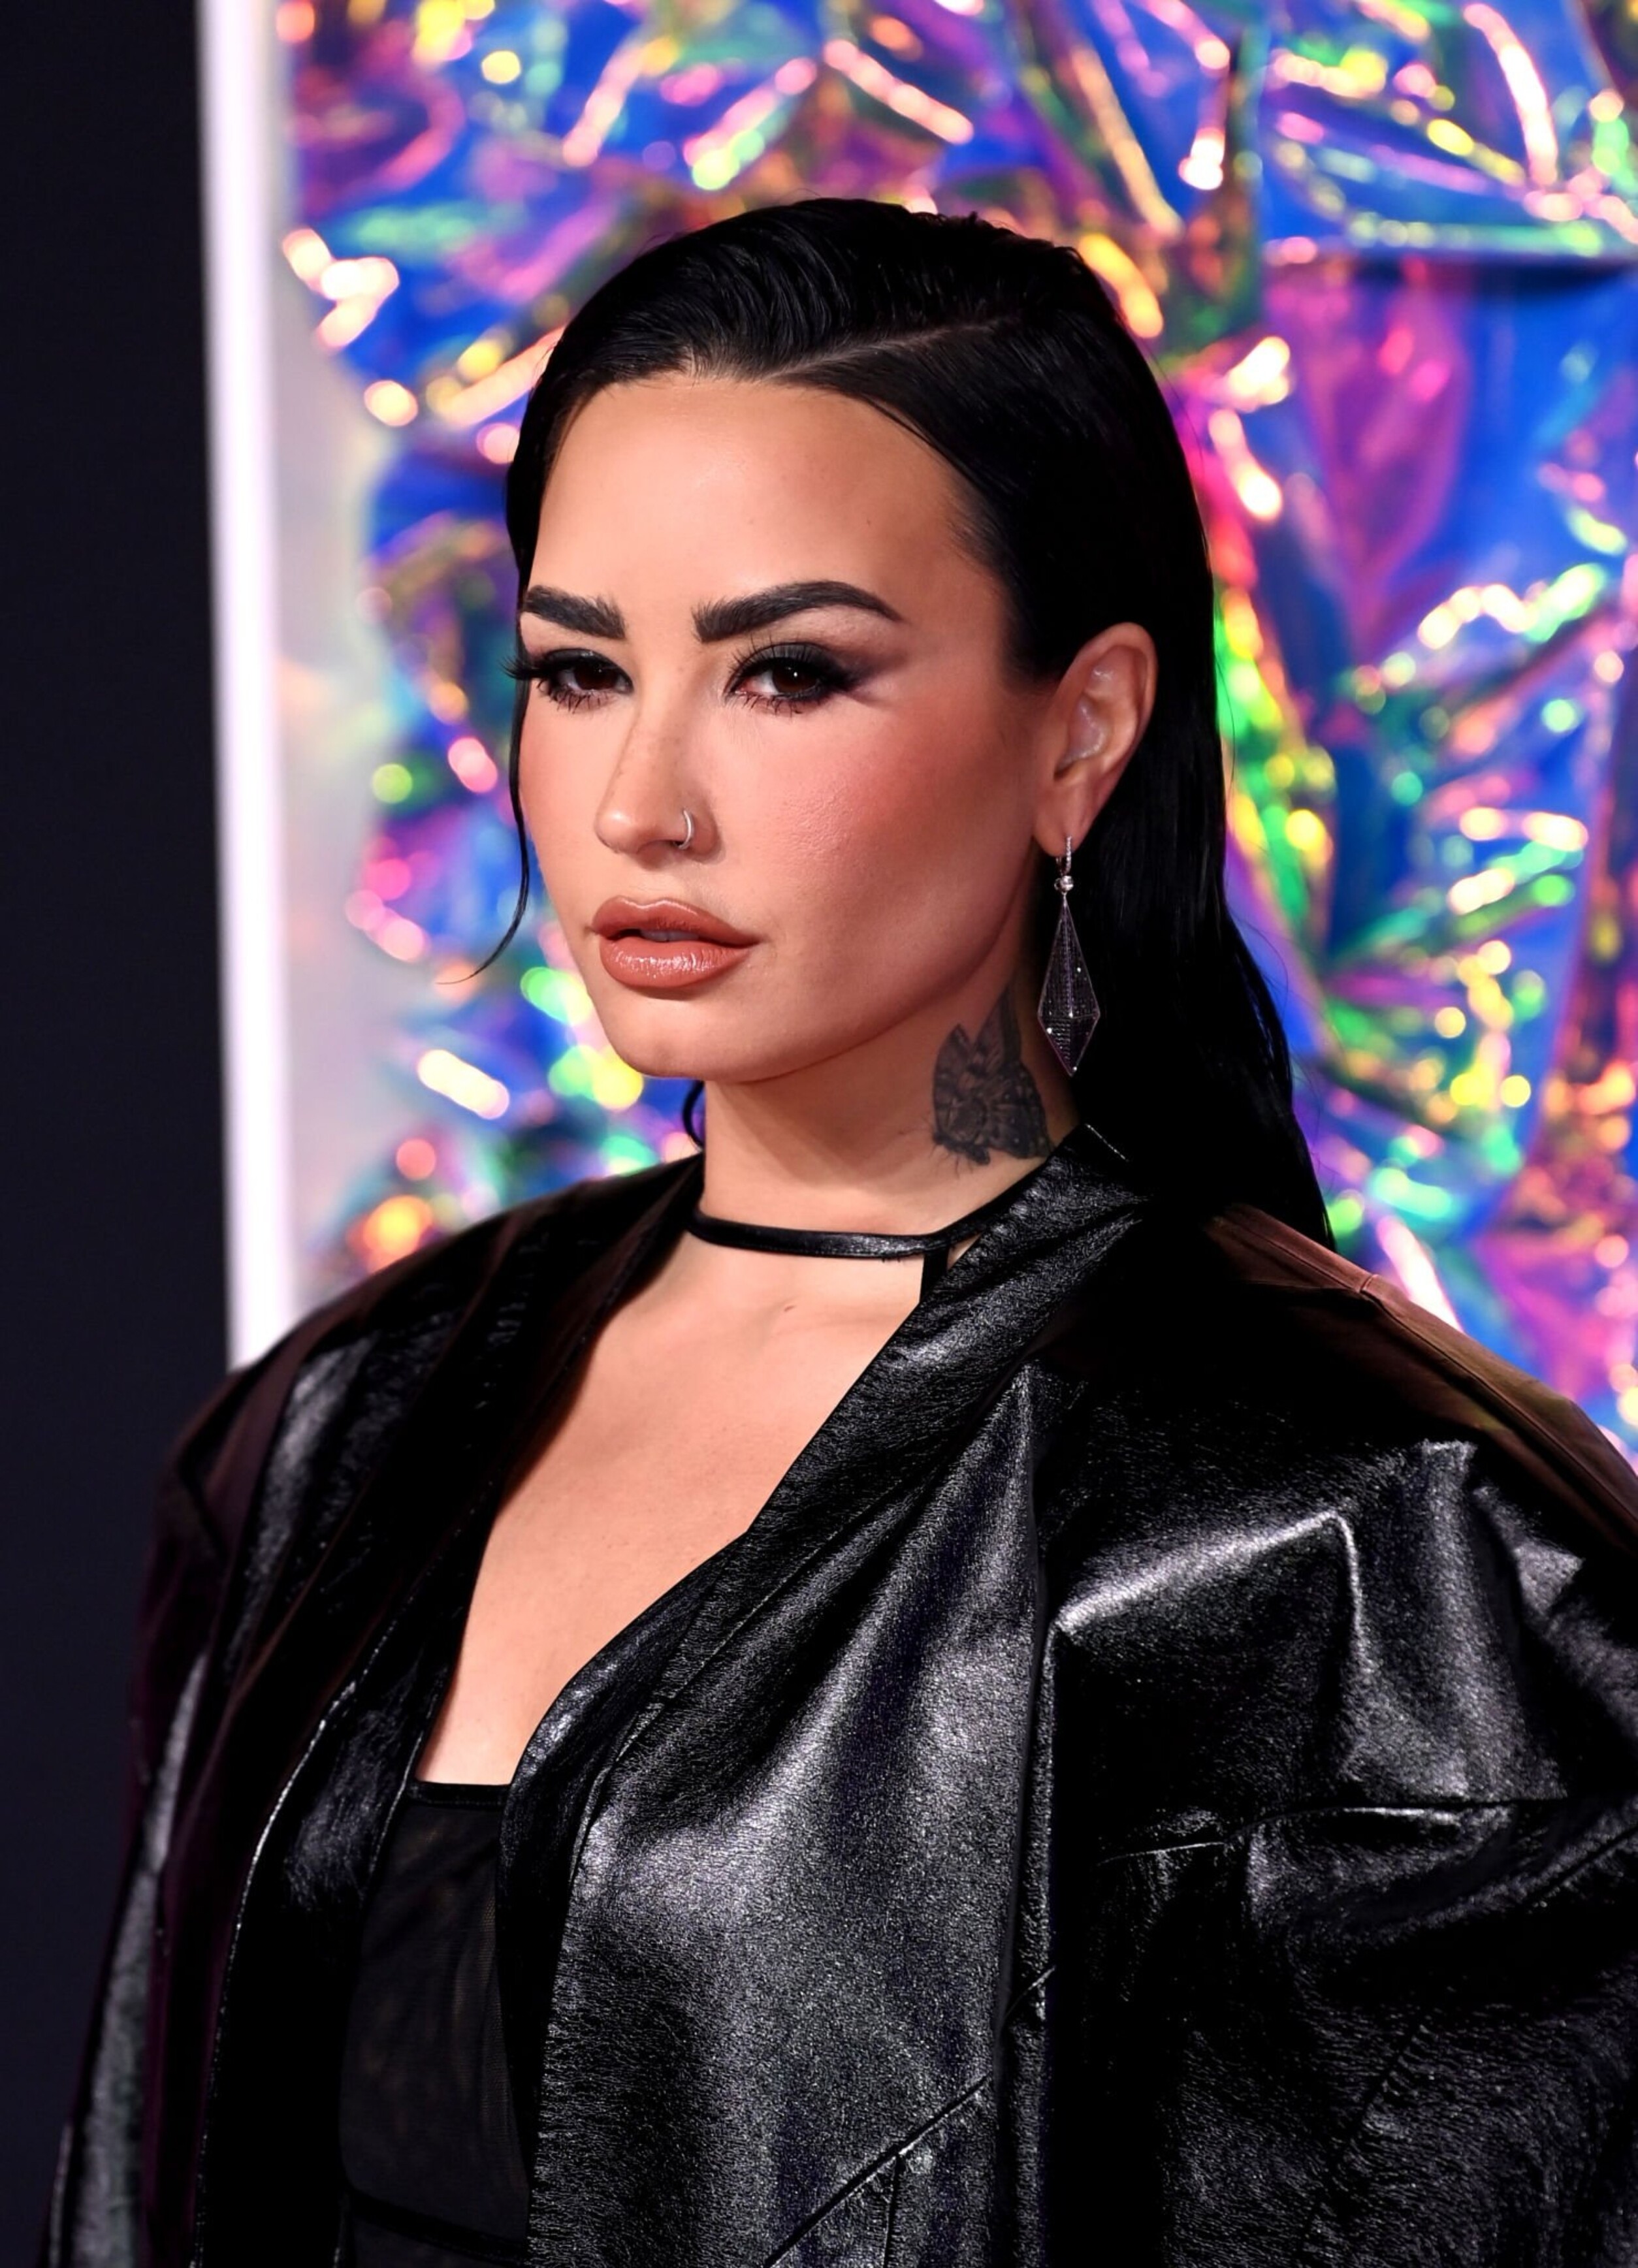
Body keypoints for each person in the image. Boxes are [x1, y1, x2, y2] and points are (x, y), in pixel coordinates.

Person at [44, 197, 1638, 2268]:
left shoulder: (1362, 1540)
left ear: (1082, 728)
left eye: (788, 673)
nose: (641, 803)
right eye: (578, 671)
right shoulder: (339, 1424)